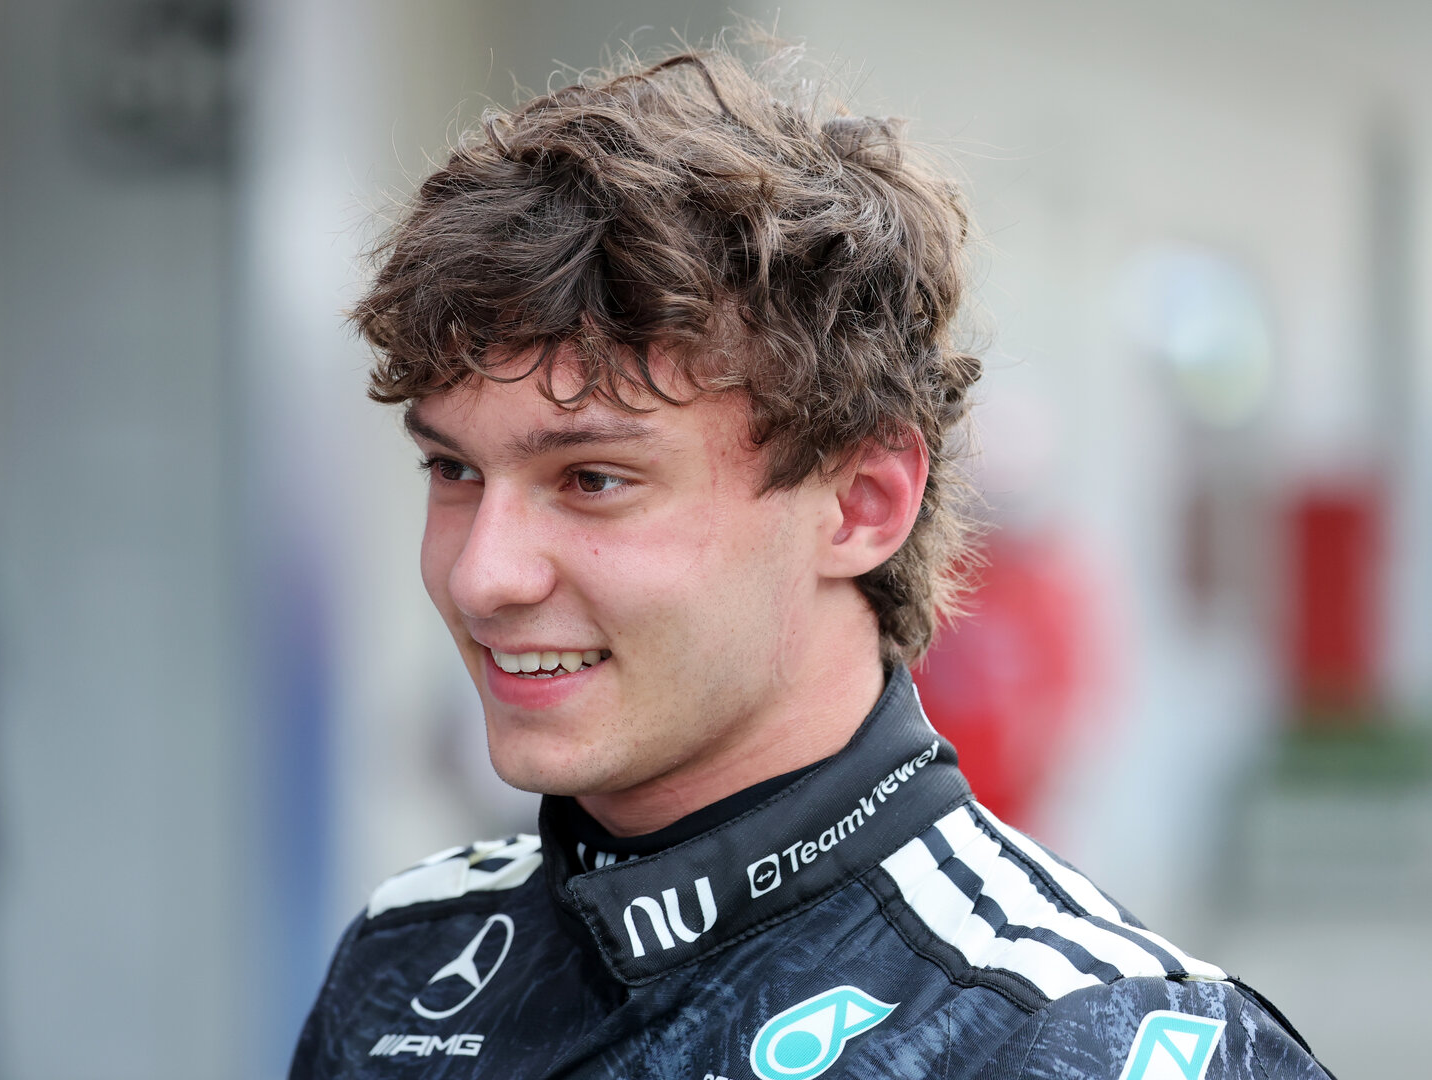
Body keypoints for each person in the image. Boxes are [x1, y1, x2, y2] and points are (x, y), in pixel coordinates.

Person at [290, 44, 1332, 1080]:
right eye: (454, 470)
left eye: (593, 479)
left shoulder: (1088, 1040)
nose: (482, 577)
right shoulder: (404, 960)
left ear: (863, 504)